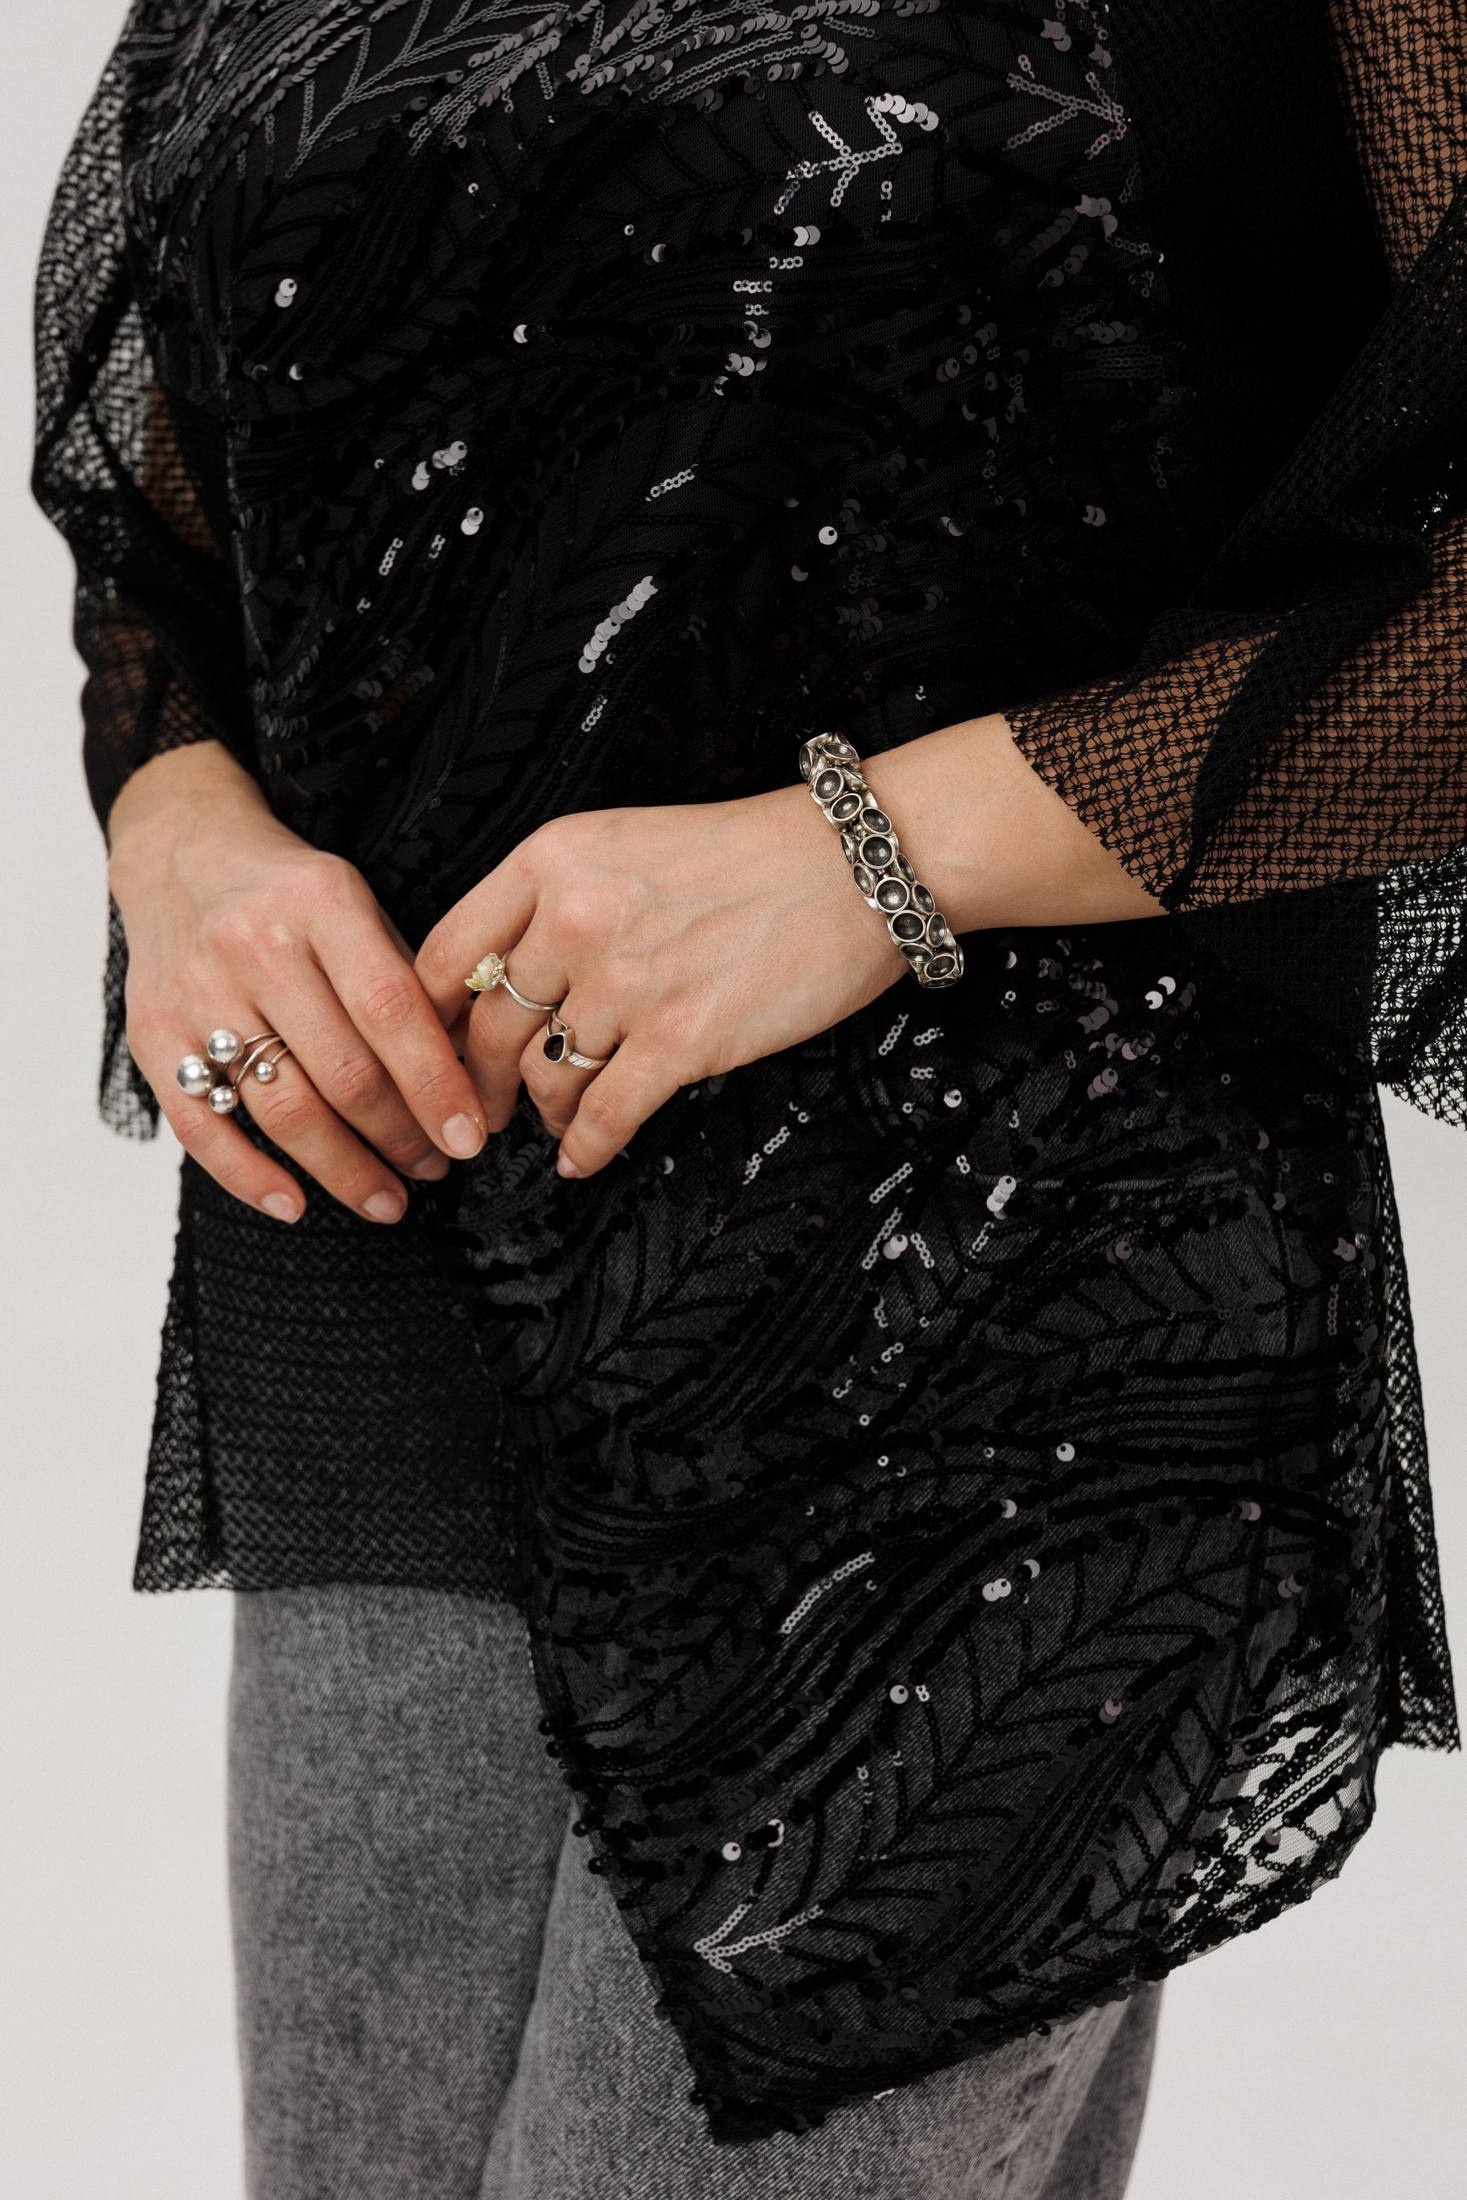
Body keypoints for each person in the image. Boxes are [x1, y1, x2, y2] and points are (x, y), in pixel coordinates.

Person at [31, 3, 1465, 2195]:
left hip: (990, 1289)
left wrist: (866, 854)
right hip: (385, 1262)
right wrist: (175, 822)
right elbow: (170, 517)